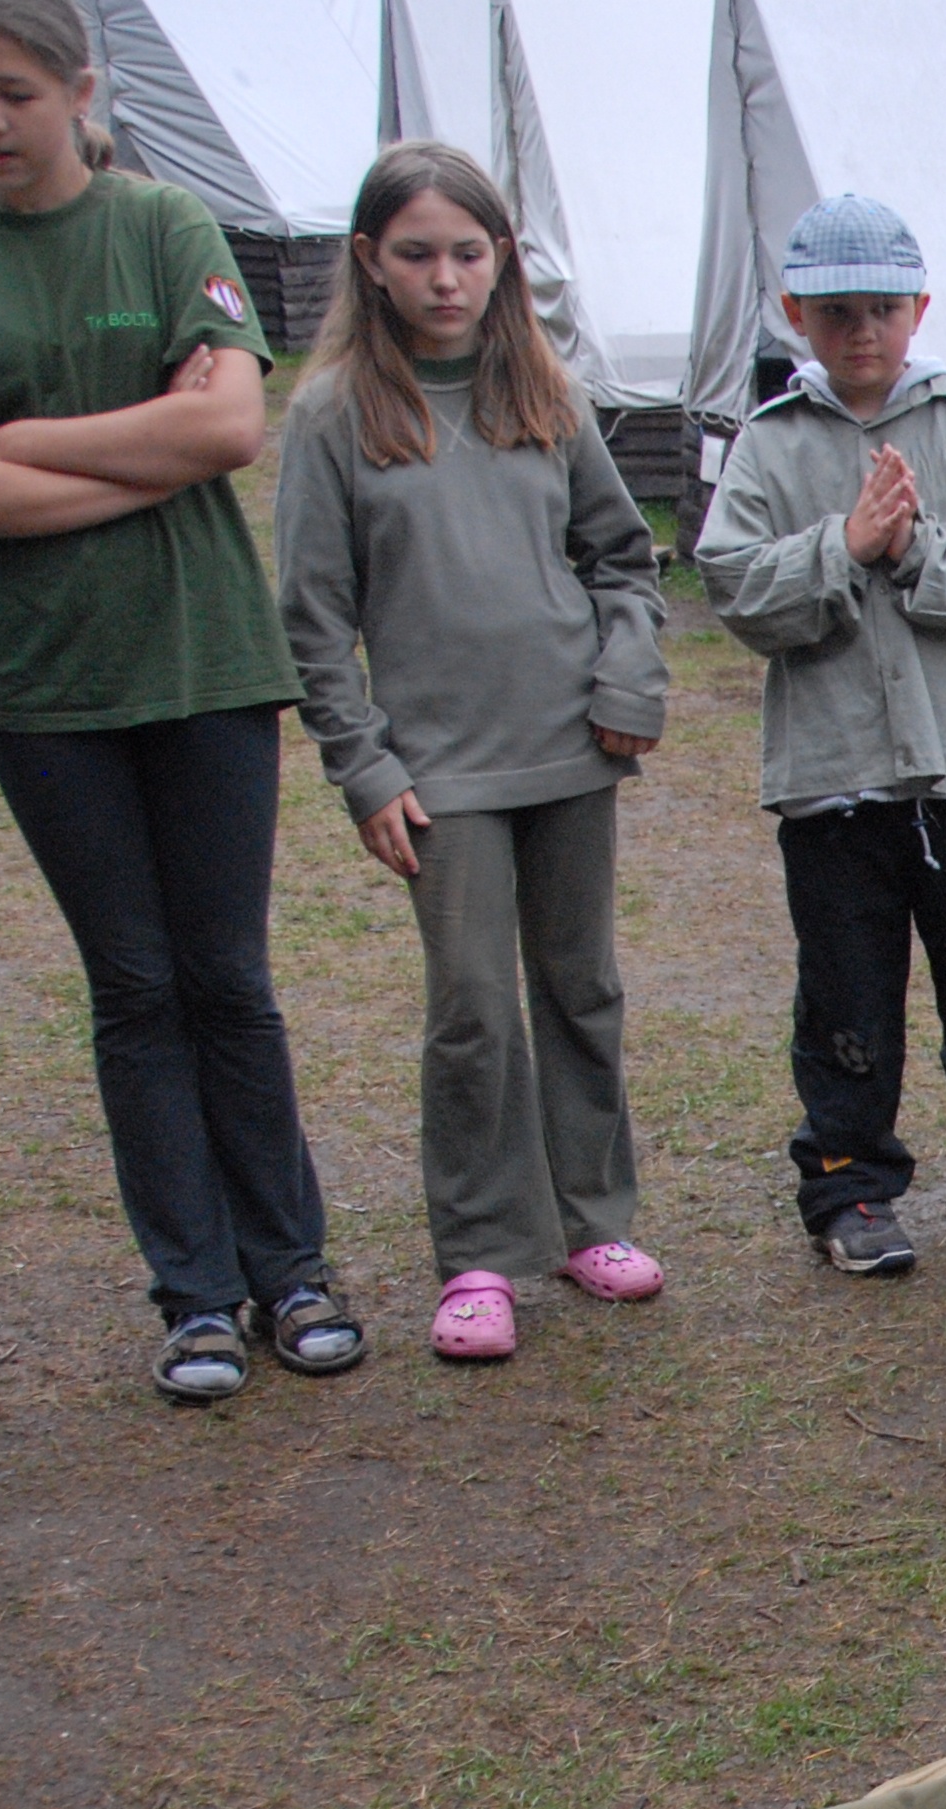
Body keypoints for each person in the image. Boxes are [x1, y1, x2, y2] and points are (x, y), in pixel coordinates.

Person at [0, 0, 363, 1403]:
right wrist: (143, 454)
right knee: (135, 988)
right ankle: (195, 1296)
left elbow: (229, 426)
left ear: (81, 88)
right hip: (50, 686)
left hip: (206, 663)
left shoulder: (163, 225)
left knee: (228, 979)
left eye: (14, 90)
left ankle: (293, 1271)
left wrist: (29, 441)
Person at [279, 142, 672, 1360]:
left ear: (502, 259)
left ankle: (592, 1216)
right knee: (471, 1011)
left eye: (466, 253)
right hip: (439, 772)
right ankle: (481, 1254)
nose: (444, 279)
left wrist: (627, 676)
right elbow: (312, 618)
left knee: (579, 987)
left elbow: (621, 558)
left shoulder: (546, 394)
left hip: (569, 747)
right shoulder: (334, 415)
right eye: (416, 255)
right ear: (369, 261)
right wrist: (364, 766)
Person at [696, 195, 946, 1279]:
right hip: (834, 779)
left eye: (882, 310)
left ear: (920, 309)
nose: (862, 332)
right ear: (794, 317)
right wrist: (842, 547)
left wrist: (911, 551)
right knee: (847, 997)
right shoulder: (769, 445)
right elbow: (734, 587)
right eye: (835, 313)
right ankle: (849, 1184)